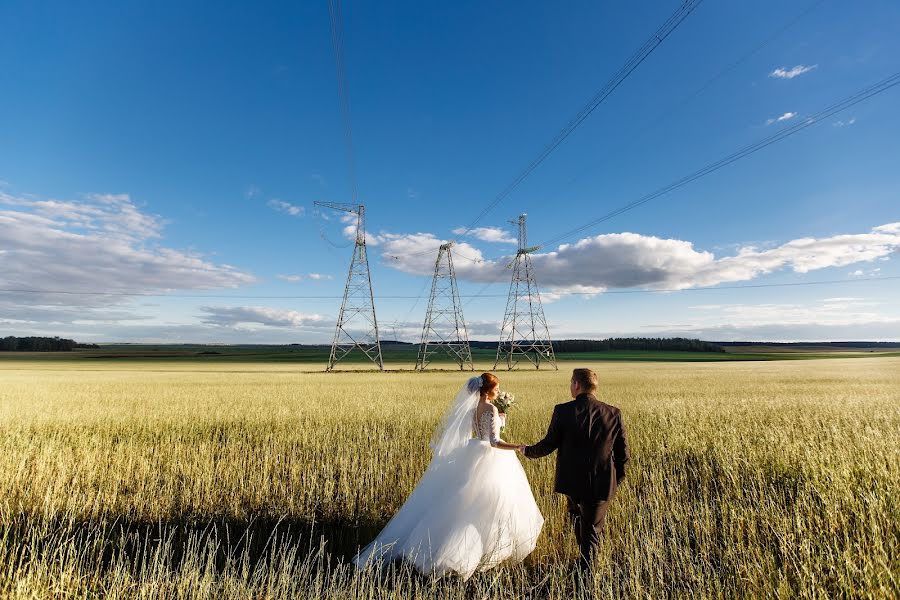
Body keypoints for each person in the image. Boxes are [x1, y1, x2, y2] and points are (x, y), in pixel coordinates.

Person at [353, 372, 543, 579]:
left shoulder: (473, 408)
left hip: (472, 452)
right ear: (488, 391)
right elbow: (494, 442)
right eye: (496, 389)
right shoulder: (491, 408)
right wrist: (519, 447)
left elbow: (483, 432)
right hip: (489, 457)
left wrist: (501, 420)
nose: (498, 392)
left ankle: (440, 546)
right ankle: (472, 551)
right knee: (489, 504)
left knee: (464, 502)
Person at [523, 368, 628, 582]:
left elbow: (549, 444)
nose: (570, 386)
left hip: (571, 483)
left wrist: (527, 451)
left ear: (577, 385)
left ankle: (586, 580)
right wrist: (615, 480)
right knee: (589, 529)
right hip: (600, 482)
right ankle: (585, 568)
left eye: (571, 382)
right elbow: (623, 455)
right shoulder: (613, 413)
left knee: (584, 527)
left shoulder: (562, 411)